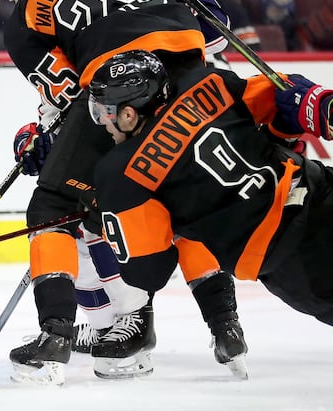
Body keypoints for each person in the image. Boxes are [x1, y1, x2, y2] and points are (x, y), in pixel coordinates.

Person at [0, 0, 247, 383]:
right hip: (191, 68)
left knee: (55, 204)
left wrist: (50, 139)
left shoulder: (22, 23)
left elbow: (69, 97)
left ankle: (57, 336)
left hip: (119, 82)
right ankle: (225, 325)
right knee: (184, 192)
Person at [87, 50, 333, 331]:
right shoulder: (205, 84)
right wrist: (314, 105)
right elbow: (284, 93)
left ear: (128, 114)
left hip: (291, 258)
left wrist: (117, 222)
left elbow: (149, 273)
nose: (103, 122)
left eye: (103, 111)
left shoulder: (120, 173)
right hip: (319, 189)